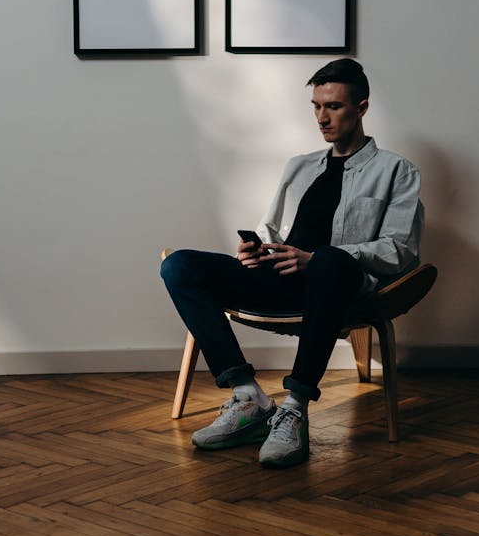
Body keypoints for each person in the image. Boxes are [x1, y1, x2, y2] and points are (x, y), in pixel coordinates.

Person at [160, 58, 423, 468]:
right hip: (282, 279)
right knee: (179, 265)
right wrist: (257, 252)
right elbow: (275, 233)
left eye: (333, 106)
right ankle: (249, 398)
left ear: (362, 107)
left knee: (330, 262)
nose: (322, 117)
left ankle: (295, 407)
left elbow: (401, 250)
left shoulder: (396, 170)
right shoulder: (299, 166)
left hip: (340, 284)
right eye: (317, 105)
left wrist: (319, 259)